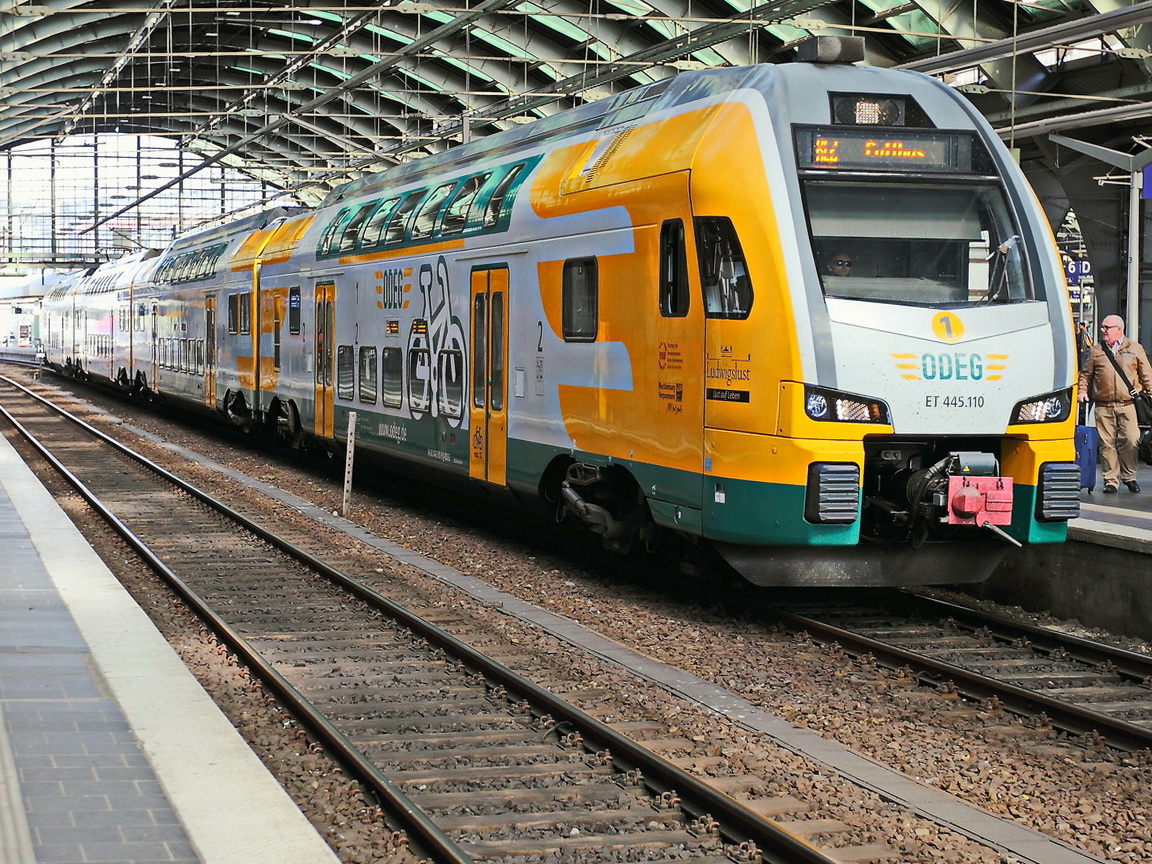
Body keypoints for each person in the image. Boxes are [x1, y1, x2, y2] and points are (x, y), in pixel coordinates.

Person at [1078, 314, 1152, 492]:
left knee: (1131, 439)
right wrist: (1082, 390)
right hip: (1103, 404)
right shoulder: (1096, 351)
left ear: (1119, 330)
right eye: (1102, 327)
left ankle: (1129, 476)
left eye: (1107, 327)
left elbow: (1146, 374)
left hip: (1128, 404)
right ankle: (1111, 480)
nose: (1103, 330)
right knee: (1106, 443)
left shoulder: (1135, 349)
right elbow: (1086, 374)